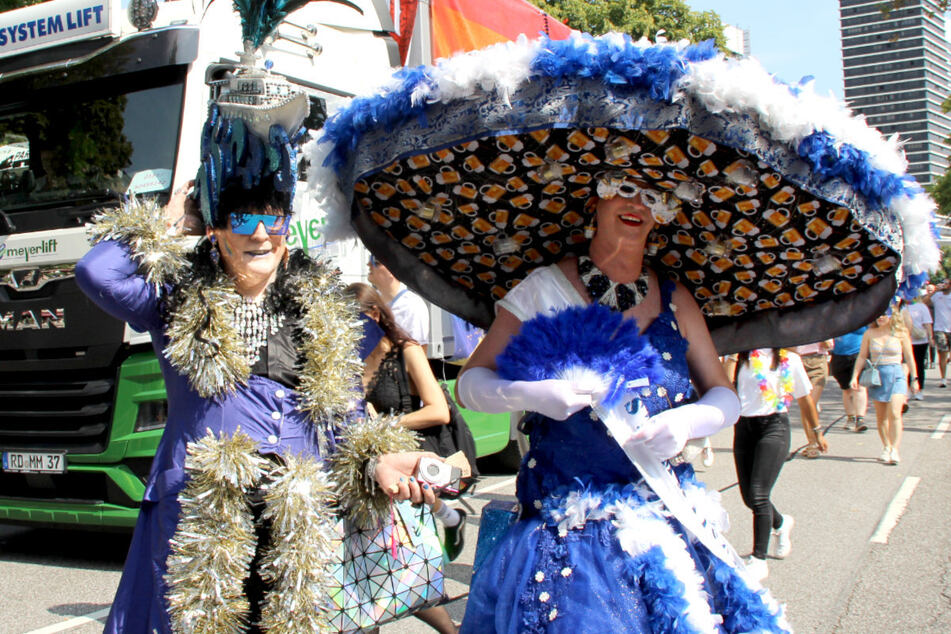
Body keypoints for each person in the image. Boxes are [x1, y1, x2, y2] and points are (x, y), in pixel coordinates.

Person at [454, 173, 787, 632]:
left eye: (652, 195)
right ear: (597, 200)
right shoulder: (543, 290)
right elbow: (470, 383)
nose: (637, 204)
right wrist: (527, 394)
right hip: (573, 535)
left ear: (663, 214)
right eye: (624, 189)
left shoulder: (676, 298)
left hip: (668, 516)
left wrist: (693, 419)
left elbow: (722, 392)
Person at [347, 281, 463, 634]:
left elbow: (439, 411)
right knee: (377, 563)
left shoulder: (405, 351)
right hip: (372, 472)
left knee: (403, 560)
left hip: (411, 466)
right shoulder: (347, 360)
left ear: (376, 315)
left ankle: (451, 521)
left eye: (357, 321)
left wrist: (383, 424)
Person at [728, 348, 817, 581]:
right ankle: (781, 522)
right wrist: (730, 358)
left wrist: (815, 432)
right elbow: (726, 387)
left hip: (775, 427)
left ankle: (759, 559)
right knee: (749, 497)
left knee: (758, 494)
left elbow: (805, 398)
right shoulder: (740, 356)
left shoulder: (790, 359)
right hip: (744, 428)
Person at [850, 310, 917, 465]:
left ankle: (895, 449)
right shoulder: (870, 333)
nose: (880, 317)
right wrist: (855, 376)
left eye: (884, 314)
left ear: (892, 315)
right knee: (882, 417)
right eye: (877, 315)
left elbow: (909, 357)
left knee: (895, 413)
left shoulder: (901, 332)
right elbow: (861, 356)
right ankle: (886, 446)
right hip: (878, 377)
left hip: (897, 375)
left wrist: (914, 378)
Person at [368, 255, 431, 352]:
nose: (368, 264)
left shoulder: (412, 305)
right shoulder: (371, 302)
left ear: (392, 270)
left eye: (376, 262)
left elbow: (419, 352)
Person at [830, 326, 869, 433]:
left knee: (860, 387)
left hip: (858, 355)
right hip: (839, 356)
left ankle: (860, 419)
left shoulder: (862, 317)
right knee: (846, 389)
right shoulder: (836, 317)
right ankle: (850, 417)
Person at [903, 296, 932, 399]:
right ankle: (907, 389)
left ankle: (919, 389)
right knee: (906, 365)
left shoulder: (921, 307)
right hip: (905, 340)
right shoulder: (902, 307)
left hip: (920, 341)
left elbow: (927, 323)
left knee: (919, 365)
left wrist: (931, 337)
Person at [926, 281, 951, 387]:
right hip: (939, 329)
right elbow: (924, 302)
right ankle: (943, 379)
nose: (944, 285)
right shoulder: (937, 296)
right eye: (943, 283)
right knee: (943, 353)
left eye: (946, 283)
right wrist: (934, 291)